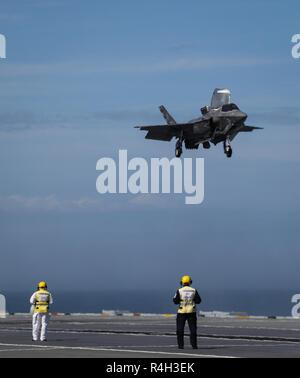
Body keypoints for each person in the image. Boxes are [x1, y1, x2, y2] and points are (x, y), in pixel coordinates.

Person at [173, 275, 201, 349]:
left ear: (182, 282)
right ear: (190, 282)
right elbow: (199, 301)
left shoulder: (179, 290)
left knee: (180, 330)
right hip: (191, 312)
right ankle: (194, 346)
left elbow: (175, 301)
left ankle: (181, 346)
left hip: (181, 312)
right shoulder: (194, 290)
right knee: (193, 330)